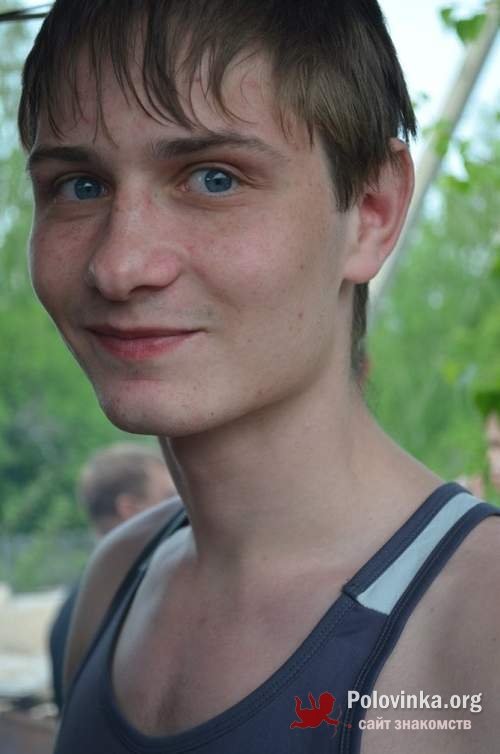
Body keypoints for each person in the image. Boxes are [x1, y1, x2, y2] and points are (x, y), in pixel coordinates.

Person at [19, 1, 500, 751]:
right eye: (79, 186)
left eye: (213, 178)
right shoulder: (119, 576)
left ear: (371, 211)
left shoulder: (479, 626)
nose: (118, 265)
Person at [48, 443, 178, 713]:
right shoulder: (132, 600)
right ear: (129, 509)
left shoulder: (76, 605)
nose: (181, 509)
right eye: (169, 498)